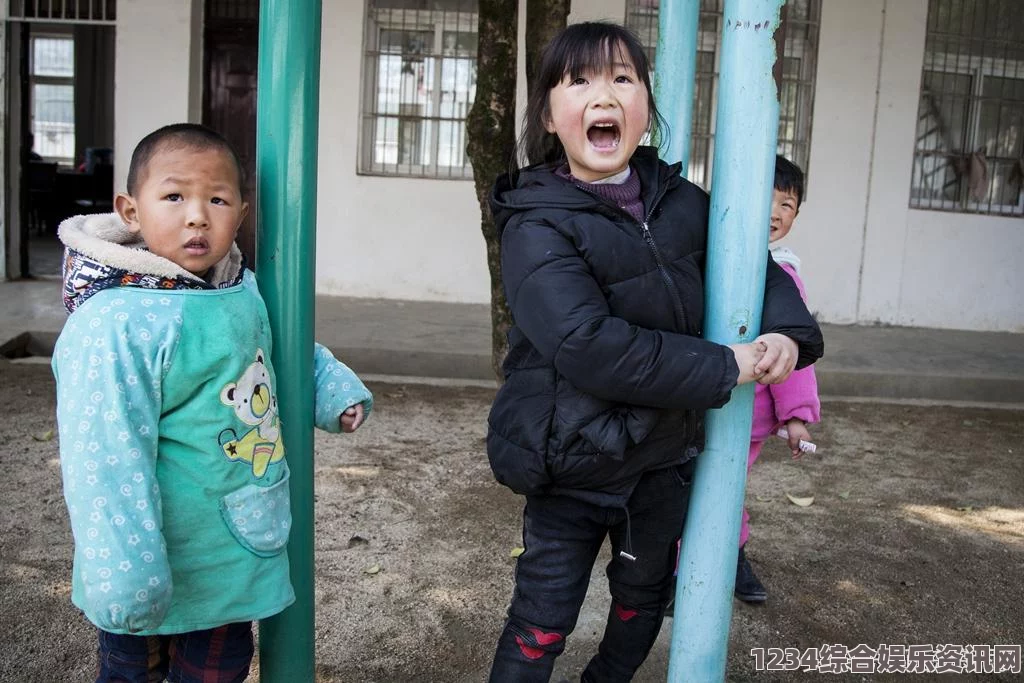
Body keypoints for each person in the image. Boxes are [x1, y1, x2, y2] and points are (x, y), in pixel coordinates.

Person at [484, 22, 824, 682]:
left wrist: (786, 334)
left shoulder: (680, 202)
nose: (602, 94)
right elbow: (588, 345)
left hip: (662, 460)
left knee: (642, 603)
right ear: (551, 116)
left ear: (645, 107)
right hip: (571, 463)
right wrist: (728, 365)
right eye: (577, 80)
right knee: (541, 620)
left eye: (621, 77)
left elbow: (757, 267)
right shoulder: (536, 221)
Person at [51, 123, 372, 682]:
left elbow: (275, 349)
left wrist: (332, 388)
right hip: (151, 558)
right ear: (130, 210)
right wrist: (126, 575)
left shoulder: (235, 286)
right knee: (134, 672)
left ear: (241, 212)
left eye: (217, 199)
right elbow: (103, 455)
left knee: (218, 671)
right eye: (174, 197)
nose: (197, 215)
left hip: (229, 548)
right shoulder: (115, 321)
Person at [735, 155, 821, 604]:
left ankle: (731, 556)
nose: (775, 213)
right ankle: (671, 568)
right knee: (679, 488)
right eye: (766, 200)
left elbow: (797, 355)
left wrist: (796, 417)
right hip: (697, 399)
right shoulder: (716, 254)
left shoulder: (784, 274)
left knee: (725, 491)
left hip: (748, 418)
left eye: (787, 204)